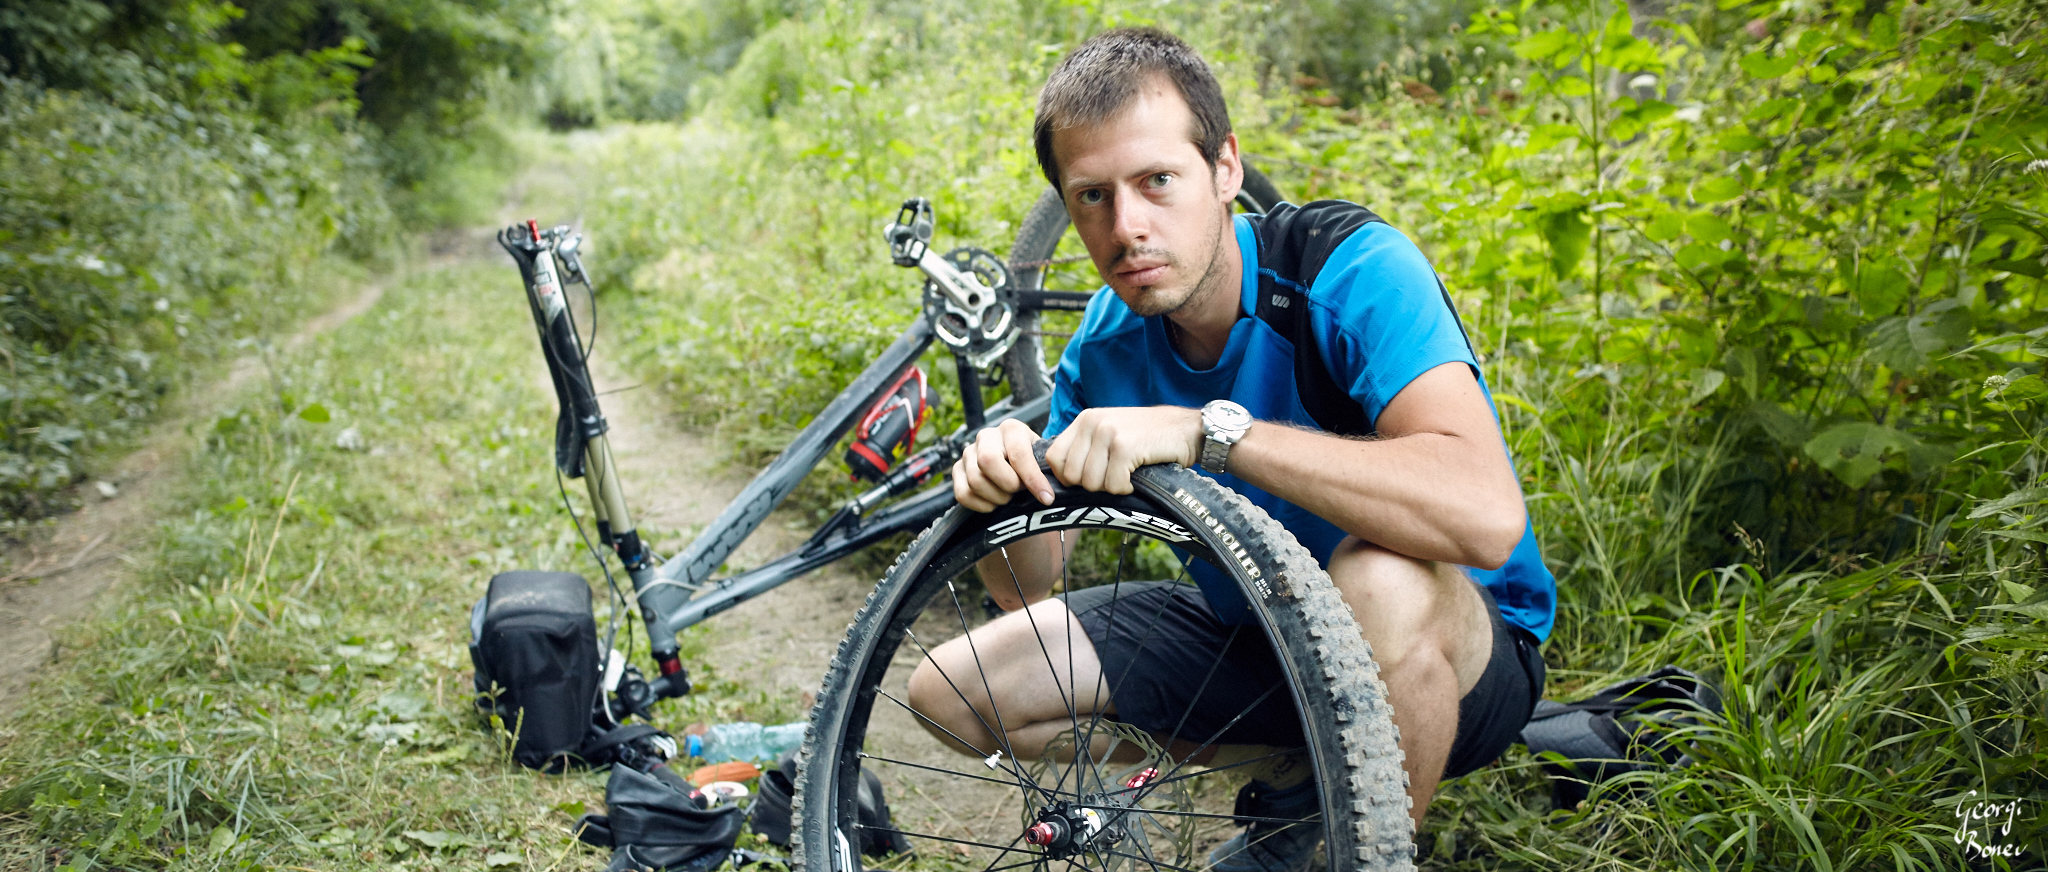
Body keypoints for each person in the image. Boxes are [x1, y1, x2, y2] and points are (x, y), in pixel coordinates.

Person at [904, 26, 1554, 870]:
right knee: (951, 691)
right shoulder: (1106, 342)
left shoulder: (1350, 271)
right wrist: (1003, 485)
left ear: (1226, 169)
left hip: (1463, 655)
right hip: (1257, 634)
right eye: (1092, 196)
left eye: (1157, 181)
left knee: (1379, 579)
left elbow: (1487, 518)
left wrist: (1209, 433)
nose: (1127, 227)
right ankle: (1296, 784)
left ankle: (1354, 851)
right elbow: (1029, 581)